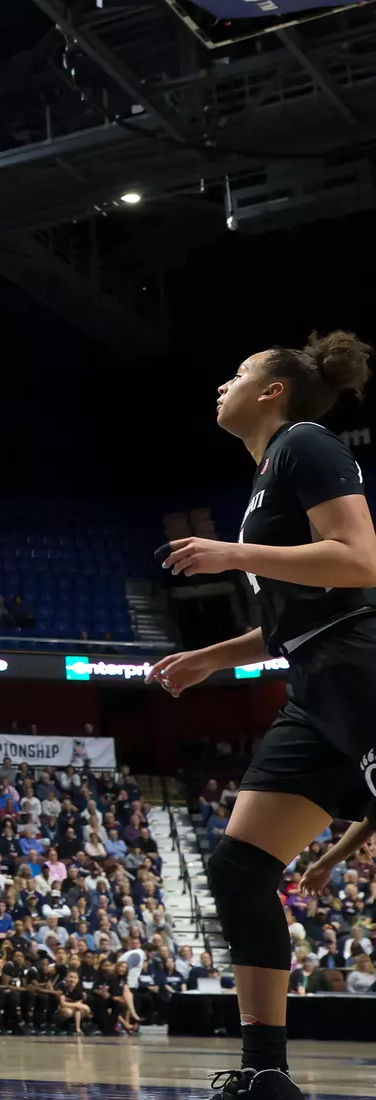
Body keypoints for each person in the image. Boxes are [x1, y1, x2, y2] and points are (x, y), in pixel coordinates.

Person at [148, 331, 376, 1100]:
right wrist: (217, 656)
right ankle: (266, 1074)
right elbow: (305, 606)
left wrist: (234, 556)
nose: (224, 383)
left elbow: (360, 560)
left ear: (273, 391)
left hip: (361, 667)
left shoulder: (305, 443)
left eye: (239, 373)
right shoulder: (267, 478)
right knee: (240, 867)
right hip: (315, 680)